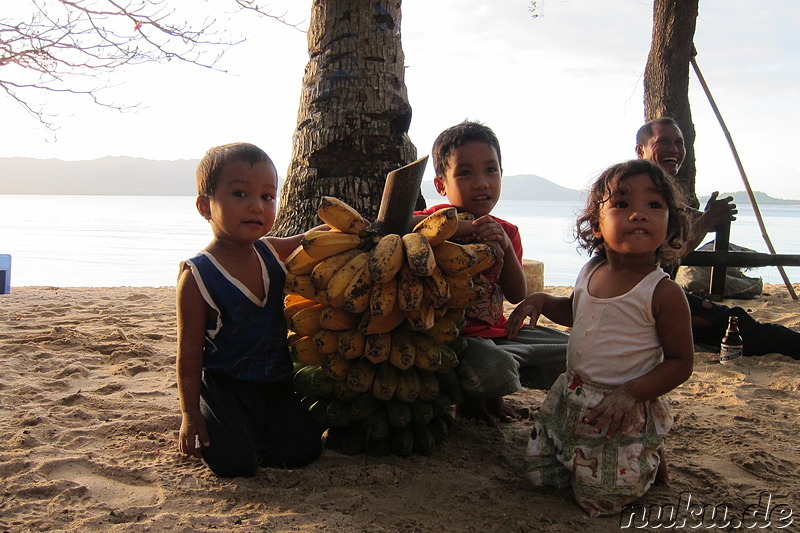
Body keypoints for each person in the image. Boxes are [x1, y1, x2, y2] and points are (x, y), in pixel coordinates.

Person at [507, 159, 694, 517]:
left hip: (621, 408)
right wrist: (543, 301)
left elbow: (681, 364)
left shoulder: (663, 292)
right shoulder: (590, 270)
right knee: (539, 477)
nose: (639, 214)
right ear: (596, 224)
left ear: (671, 224)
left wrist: (631, 393)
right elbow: (580, 313)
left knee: (601, 500)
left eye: (654, 205)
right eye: (622, 204)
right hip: (574, 394)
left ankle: (648, 457)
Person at [176, 142, 322, 477]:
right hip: (227, 386)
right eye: (240, 194)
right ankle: (220, 421)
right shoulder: (199, 276)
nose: (256, 206)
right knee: (234, 464)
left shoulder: (270, 252)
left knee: (305, 450)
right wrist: (189, 414)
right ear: (205, 206)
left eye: (268, 197)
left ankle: (259, 434)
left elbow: (312, 238)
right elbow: (188, 354)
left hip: (276, 383)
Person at [414, 121, 569, 425]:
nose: (482, 182)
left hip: (500, 334)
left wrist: (505, 248)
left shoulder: (507, 231)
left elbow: (516, 294)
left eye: (491, 170)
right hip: (454, 340)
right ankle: (472, 400)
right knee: (495, 368)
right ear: (441, 185)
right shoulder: (434, 223)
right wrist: (464, 228)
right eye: (465, 173)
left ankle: (492, 393)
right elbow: (400, 224)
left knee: (577, 352)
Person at [636, 117, 800, 358]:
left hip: (660, 296)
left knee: (738, 321)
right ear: (641, 150)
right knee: (739, 325)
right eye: (664, 142)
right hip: (643, 303)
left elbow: (685, 219)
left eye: (679, 143)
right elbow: (668, 254)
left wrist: (707, 217)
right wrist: (709, 220)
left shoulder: (662, 191)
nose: (674, 150)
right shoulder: (638, 191)